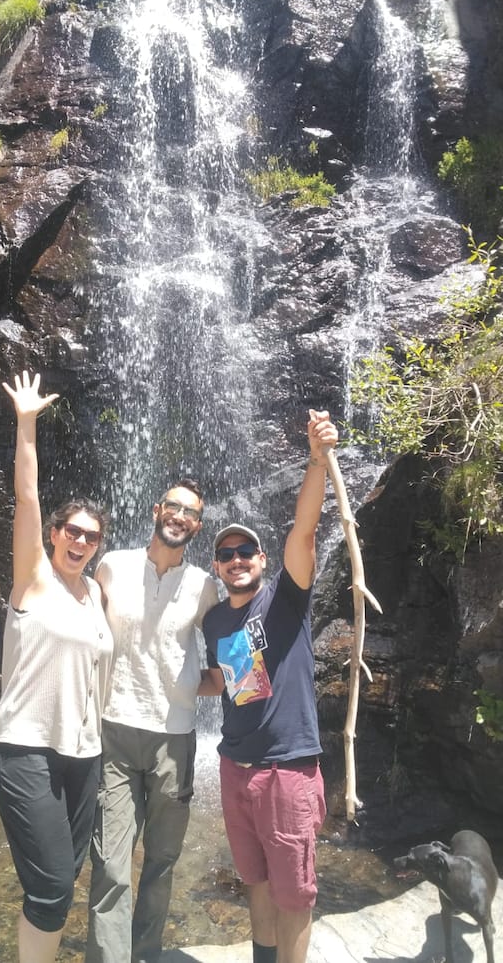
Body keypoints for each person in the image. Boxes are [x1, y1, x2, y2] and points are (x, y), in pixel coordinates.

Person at [200, 409, 338, 963]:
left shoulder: (285, 597)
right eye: (226, 555)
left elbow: (304, 529)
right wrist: (164, 685)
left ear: (261, 559)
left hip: (287, 769)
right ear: (217, 567)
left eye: (245, 553)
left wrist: (316, 460)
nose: (236, 561)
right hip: (235, 766)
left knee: (294, 894)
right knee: (254, 879)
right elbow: (224, 681)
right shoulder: (215, 622)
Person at [0, 369, 114, 963]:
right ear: (55, 533)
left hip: (83, 755)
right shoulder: (33, 577)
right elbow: (27, 497)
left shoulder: (96, 595)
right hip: (25, 749)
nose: (81, 542)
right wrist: (27, 423)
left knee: (65, 875)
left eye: (92, 536)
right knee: (52, 888)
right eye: (72, 531)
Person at [86, 478, 220, 963]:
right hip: (115, 731)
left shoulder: (204, 586)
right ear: (157, 510)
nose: (180, 516)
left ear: (197, 526)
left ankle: (144, 954)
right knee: (111, 863)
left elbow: (226, 667)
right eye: (174, 507)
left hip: (175, 741)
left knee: (162, 861)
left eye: (191, 512)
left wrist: (186, 687)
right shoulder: (112, 566)